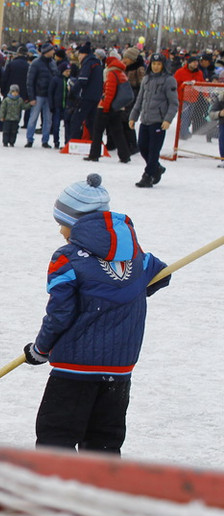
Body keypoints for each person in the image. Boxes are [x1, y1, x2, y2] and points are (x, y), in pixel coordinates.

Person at [23, 173, 170, 454]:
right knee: (104, 441)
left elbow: (60, 313)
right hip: (119, 369)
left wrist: (40, 349)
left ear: (77, 223)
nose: (60, 232)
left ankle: (54, 494)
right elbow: (162, 274)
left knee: (57, 437)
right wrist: (134, 287)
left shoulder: (65, 259)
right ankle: (99, 493)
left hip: (74, 369)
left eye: (62, 224)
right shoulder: (137, 257)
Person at [128, 53, 178, 188]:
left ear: (163, 65)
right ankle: (157, 167)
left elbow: (174, 103)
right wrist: (133, 116)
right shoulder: (146, 79)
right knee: (143, 147)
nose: (156, 67)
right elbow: (140, 99)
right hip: (145, 119)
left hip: (159, 120)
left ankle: (148, 175)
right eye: (154, 64)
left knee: (154, 150)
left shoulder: (169, 80)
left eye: (159, 64)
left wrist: (167, 119)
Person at [85, 55, 132, 163]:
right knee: (117, 132)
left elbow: (109, 92)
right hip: (117, 107)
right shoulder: (121, 73)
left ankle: (94, 154)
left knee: (97, 131)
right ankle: (125, 155)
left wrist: (105, 108)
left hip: (106, 107)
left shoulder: (111, 73)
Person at [69, 41, 103, 141]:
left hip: (86, 97)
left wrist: (72, 92)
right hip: (96, 97)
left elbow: (82, 80)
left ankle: (74, 142)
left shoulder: (88, 63)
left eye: (79, 54)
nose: (78, 57)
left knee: (76, 119)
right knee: (91, 122)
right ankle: (95, 143)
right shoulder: (97, 63)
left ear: (84, 54)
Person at [24, 43, 55, 148]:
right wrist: (31, 97)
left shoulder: (52, 63)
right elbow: (30, 81)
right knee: (33, 118)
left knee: (48, 119)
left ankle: (45, 140)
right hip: (38, 95)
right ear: (46, 51)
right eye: (51, 50)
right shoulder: (36, 63)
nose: (54, 52)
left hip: (49, 95)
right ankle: (29, 139)